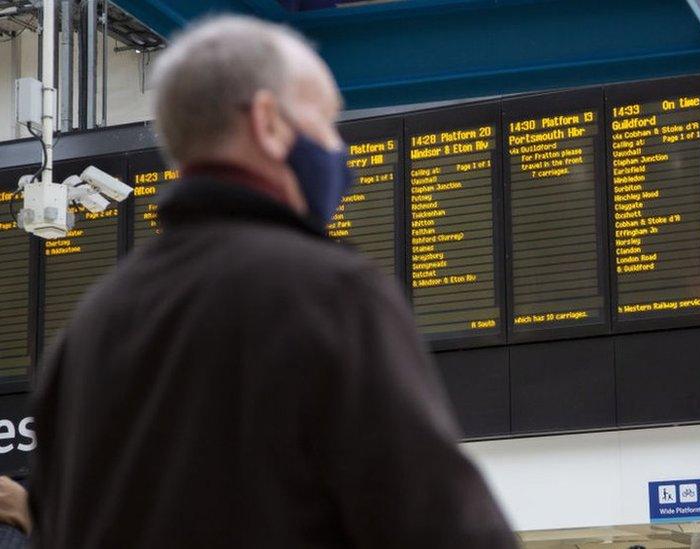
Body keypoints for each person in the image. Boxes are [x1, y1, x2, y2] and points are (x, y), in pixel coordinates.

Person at [29, 15, 518, 549]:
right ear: (267, 120)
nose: (338, 149)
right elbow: (444, 529)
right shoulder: (327, 291)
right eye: (326, 119)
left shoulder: (88, 327)